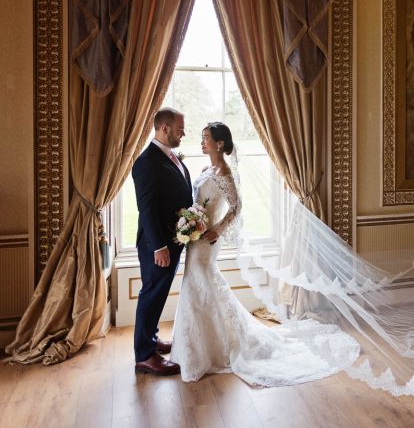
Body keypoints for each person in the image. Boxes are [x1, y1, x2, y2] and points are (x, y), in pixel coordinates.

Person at [169, 122, 359, 386]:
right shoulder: (204, 170)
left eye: (206, 138)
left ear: (220, 144)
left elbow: (236, 207)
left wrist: (217, 230)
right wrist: (190, 222)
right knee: (196, 284)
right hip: (195, 238)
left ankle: (213, 349)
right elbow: (197, 203)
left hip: (208, 238)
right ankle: (195, 346)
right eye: (202, 138)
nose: (202, 142)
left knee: (201, 282)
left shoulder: (223, 172)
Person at [131, 107, 191, 375]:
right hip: (158, 245)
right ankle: (144, 356)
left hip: (172, 241)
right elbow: (147, 208)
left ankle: (151, 340)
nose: (183, 133)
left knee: (157, 294)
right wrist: (159, 246)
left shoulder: (170, 157)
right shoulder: (147, 162)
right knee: (151, 295)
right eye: (180, 129)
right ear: (164, 128)